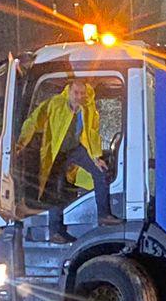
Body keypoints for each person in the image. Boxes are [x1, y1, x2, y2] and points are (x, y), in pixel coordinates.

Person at [16, 79, 115, 241]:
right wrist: (20, 143)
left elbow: (92, 132)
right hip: (58, 152)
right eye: (76, 93)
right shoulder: (55, 104)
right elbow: (34, 121)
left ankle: (104, 215)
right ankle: (56, 231)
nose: (79, 96)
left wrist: (96, 156)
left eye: (82, 93)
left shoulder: (87, 109)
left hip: (76, 149)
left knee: (100, 172)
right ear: (68, 92)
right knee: (55, 190)